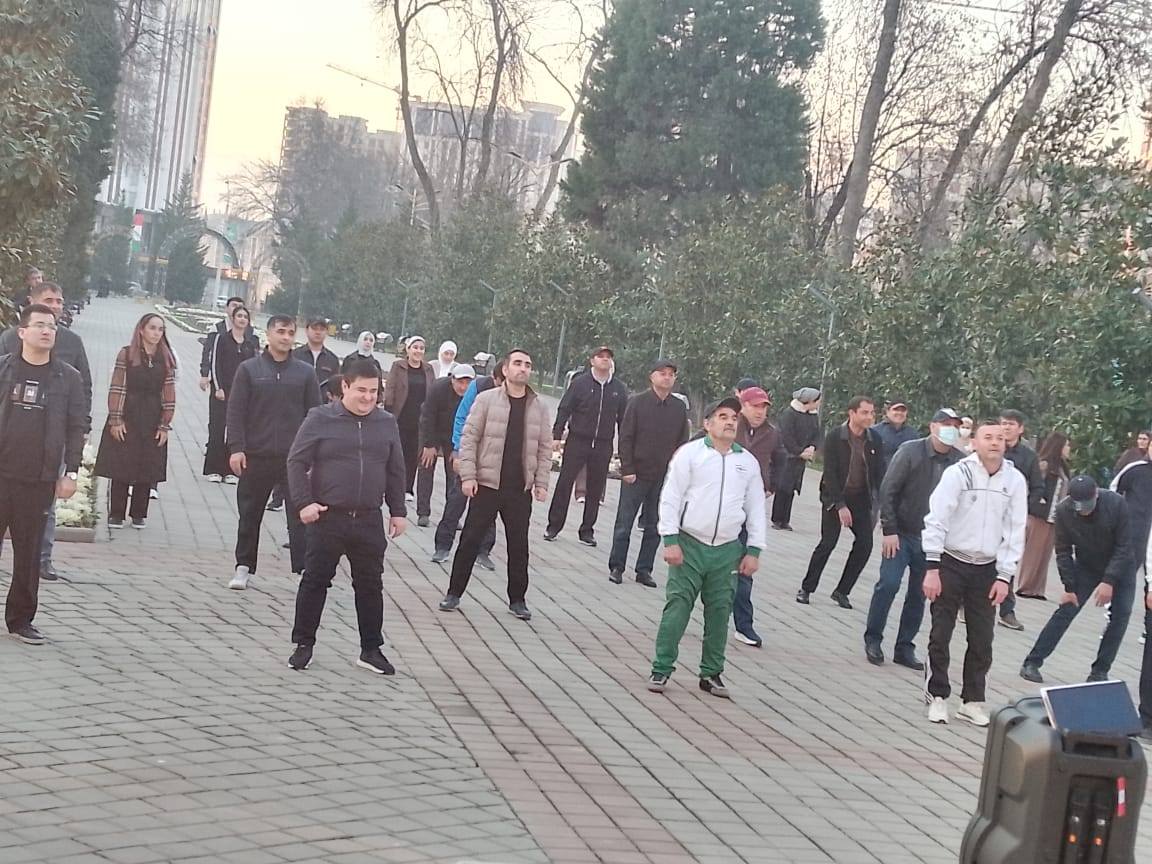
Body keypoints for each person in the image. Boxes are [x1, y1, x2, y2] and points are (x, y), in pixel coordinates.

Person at [286, 359, 408, 675]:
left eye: (374, 391)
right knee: (315, 581)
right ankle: (303, 644)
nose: (368, 397)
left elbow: (396, 469)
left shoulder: (386, 423)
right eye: (361, 390)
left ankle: (371, 649)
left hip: (368, 518)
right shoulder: (320, 418)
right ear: (345, 386)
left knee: (370, 585)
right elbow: (296, 462)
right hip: (328, 516)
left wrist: (398, 511)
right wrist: (304, 503)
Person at [647, 397, 765, 699]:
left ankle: (711, 672)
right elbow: (671, 497)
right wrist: (670, 539)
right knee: (678, 607)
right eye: (722, 417)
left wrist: (754, 549)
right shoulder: (690, 454)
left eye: (734, 418)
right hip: (689, 544)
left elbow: (755, 508)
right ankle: (661, 667)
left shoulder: (746, 462)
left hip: (727, 549)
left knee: (720, 612)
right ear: (707, 423)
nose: (730, 422)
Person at [922, 421, 1027, 727]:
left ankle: (972, 700)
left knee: (982, 638)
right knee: (941, 632)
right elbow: (937, 517)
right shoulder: (959, 473)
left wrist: (1004, 576)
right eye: (988, 437)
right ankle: (937, 695)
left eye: (1000, 438)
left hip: (987, 568)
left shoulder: (1014, 480)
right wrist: (932, 567)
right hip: (951, 561)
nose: (995, 442)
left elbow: (1015, 529)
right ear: (975, 442)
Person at [439, 349, 553, 620]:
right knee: (469, 540)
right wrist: (468, 476)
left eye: (527, 365)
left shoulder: (538, 406)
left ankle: (518, 600)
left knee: (519, 546)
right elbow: (469, 438)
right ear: (505, 369)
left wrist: (541, 482)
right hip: (486, 485)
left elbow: (544, 447)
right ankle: (453, 593)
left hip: (519, 489)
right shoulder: (486, 400)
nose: (523, 369)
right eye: (518, 363)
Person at [0, 304, 87, 644]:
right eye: (39, 325)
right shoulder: (3, 369)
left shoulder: (68, 378)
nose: (47, 330)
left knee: (29, 554)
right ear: (22, 332)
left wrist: (71, 473)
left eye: (52, 325)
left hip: (38, 479)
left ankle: (21, 619)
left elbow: (76, 427)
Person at [864, 409, 965, 670]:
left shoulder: (960, 462)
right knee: (888, 584)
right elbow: (888, 490)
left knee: (919, 594)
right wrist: (889, 530)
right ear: (932, 426)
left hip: (934, 541)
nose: (950, 429)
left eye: (955, 425)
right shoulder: (911, 451)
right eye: (945, 423)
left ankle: (904, 647)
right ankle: (873, 639)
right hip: (901, 533)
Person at [226, 315, 321, 589]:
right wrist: (236, 448)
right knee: (249, 514)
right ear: (268, 334)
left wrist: (314, 454)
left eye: (290, 333)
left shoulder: (305, 373)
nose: (286, 337)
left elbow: (315, 415)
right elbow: (236, 411)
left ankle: (302, 569)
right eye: (280, 332)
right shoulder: (249, 369)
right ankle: (243, 566)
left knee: (300, 515)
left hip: (295, 458)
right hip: (256, 454)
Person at [1019, 476, 1132, 684]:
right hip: (1087, 565)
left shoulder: (1116, 504)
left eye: (1087, 506)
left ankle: (1100, 670)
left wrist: (1109, 580)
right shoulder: (1064, 511)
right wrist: (1069, 586)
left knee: (1120, 616)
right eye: (1079, 507)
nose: (1084, 511)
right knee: (1066, 609)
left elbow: (1124, 546)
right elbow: (1063, 550)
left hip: (1121, 566)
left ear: (1096, 494)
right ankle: (1032, 662)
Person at [609, 359, 690, 589]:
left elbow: (682, 442)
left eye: (671, 374)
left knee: (655, 525)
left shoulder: (678, 407)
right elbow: (626, 437)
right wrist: (627, 468)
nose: (667, 377)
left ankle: (644, 570)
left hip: (664, 476)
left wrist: (677, 474)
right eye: (662, 373)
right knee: (624, 523)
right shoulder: (637, 402)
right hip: (636, 473)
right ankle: (617, 566)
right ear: (652, 376)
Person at [797, 397, 882, 609]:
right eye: (864, 412)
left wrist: (881, 502)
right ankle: (807, 588)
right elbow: (830, 474)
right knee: (828, 543)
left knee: (865, 544)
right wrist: (840, 505)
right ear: (852, 413)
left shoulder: (875, 439)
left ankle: (842, 591)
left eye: (872, 413)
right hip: (834, 497)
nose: (869, 417)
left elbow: (879, 473)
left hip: (861, 499)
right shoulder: (836, 436)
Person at [93, 314, 176, 529]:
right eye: (152, 328)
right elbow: (118, 386)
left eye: (160, 329)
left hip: (152, 415)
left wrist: (164, 424)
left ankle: (139, 513)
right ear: (141, 330)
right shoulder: (127, 354)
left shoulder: (166, 357)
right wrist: (116, 419)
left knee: (147, 465)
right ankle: (116, 513)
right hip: (128, 413)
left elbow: (168, 392)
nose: (156, 333)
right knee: (121, 463)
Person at [545, 347, 627, 546]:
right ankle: (553, 526)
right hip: (578, 440)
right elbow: (565, 408)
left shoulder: (618, 388)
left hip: (603, 444)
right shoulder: (580, 383)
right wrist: (557, 434)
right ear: (592, 360)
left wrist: (624, 446)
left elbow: (623, 419)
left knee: (595, 488)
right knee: (565, 483)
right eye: (600, 357)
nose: (604, 360)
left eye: (608, 357)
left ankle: (587, 530)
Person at [431, 362, 501, 567]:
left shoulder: (516, 394)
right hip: (470, 451)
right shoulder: (478, 387)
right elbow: (461, 417)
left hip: (494, 457)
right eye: (500, 382)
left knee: (489, 503)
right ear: (495, 377)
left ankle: (483, 550)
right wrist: (458, 449)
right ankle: (443, 546)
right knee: (457, 499)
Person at [730, 386, 784, 647]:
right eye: (755, 406)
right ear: (743, 406)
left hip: (748, 509)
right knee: (703, 571)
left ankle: (744, 626)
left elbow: (781, 460)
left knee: (744, 570)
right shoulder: (729, 425)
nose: (760, 412)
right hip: (718, 507)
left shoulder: (772, 434)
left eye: (764, 407)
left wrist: (771, 485)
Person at [995, 409, 1045, 631]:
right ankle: (964, 605)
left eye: (1011, 424)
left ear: (1021, 429)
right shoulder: (992, 448)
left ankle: (1007, 611)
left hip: (1013, 518)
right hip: (986, 513)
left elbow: (1037, 487)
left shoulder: (1028, 456)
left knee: (1008, 562)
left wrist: (1023, 510)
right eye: (1004, 423)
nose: (1006, 427)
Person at [202, 305, 258, 482]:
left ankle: (231, 471)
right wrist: (218, 387)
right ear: (232, 319)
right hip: (222, 392)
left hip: (241, 394)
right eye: (239, 316)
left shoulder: (250, 344)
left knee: (235, 431)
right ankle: (213, 469)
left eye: (245, 317)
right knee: (217, 429)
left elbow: (254, 369)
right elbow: (215, 363)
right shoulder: (222, 339)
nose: (242, 319)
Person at [383, 335, 436, 521]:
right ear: (408, 349)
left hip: (420, 418)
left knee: (414, 454)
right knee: (397, 453)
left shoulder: (428, 369)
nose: (418, 351)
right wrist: (388, 411)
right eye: (415, 347)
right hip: (401, 415)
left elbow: (432, 392)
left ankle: (407, 488)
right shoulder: (398, 366)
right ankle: (390, 485)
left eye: (421, 348)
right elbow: (390, 388)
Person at [1015, 432, 1072, 599]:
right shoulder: (1045, 464)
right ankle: (1026, 586)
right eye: (1067, 445)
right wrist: (1037, 501)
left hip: (1054, 516)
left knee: (1045, 553)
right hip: (1040, 514)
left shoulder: (1062, 467)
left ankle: (1037, 588)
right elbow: (1034, 484)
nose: (1068, 449)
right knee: (1034, 551)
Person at [419, 362, 476, 522]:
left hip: (456, 435)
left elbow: (471, 422)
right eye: (460, 382)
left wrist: (458, 448)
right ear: (452, 379)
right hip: (434, 429)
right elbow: (428, 415)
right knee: (426, 466)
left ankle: (451, 516)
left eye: (467, 383)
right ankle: (423, 512)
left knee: (454, 473)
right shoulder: (438, 388)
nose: (463, 387)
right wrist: (429, 444)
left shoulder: (475, 394)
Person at [771, 387, 821, 530]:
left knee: (792, 488)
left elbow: (817, 434)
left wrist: (812, 447)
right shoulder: (789, 414)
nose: (818, 403)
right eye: (817, 401)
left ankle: (785, 520)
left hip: (800, 459)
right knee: (782, 488)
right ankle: (777, 519)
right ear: (810, 401)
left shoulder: (812, 415)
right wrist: (798, 452)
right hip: (788, 456)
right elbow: (786, 436)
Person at [198, 296, 252, 389]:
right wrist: (204, 374)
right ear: (226, 309)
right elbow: (208, 352)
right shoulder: (217, 329)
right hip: (220, 378)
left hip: (242, 381)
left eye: (240, 306)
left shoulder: (250, 332)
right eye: (234, 305)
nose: (237, 308)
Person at [293, 317, 341, 391]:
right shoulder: (294, 355)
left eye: (322, 329)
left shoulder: (333, 359)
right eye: (314, 329)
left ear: (326, 332)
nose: (318, 332)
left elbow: (335, 387)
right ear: (306, 330)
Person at [873, 399, 918, 476]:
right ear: (888, 412)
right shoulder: (875, 432)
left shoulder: (913, 434)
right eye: (896, 410)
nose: (899, 413)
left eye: (903, 411)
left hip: (906, 478)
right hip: (881, 477)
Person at [341, 331, 384, 397]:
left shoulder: (375, 363)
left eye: (371, 340)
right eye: (365, 339)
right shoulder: (350, 360)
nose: (368, 342)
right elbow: (342, 378)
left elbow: (379, 385)